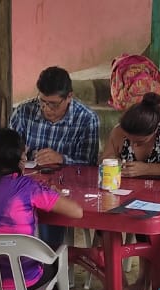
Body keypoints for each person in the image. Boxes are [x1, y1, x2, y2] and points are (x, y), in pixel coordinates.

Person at [0, 127, 83, 290]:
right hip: (25, 280)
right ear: (20, 159)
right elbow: (77, 212)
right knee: (56, 258)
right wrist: (52, 194)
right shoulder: (29, 188)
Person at [9, 66, 100, 249]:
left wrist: (62, 159)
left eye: (54, 104)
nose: (47, 109)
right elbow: (8, 153)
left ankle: (49, 258)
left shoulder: (87, 119)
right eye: (42, 102)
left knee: (50, 212)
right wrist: (18, 155)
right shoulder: (23, 112)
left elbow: (89, 164)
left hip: (67, 188)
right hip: (27, 183)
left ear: (69, 97)